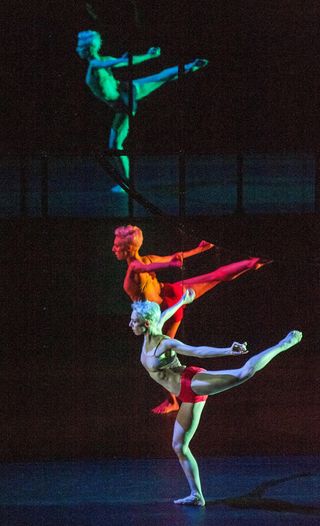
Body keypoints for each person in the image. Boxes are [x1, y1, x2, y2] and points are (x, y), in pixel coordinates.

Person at [129, 289, 303, 506]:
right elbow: (164, 314)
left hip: (191, 384)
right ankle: (197, 495)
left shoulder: (164, 342)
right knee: (179, 446)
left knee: (243, 373)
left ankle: (281, 345)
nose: (130, 324)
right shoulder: (152, 327)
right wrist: (182, 301)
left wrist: (228, 351)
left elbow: (197, 351)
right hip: (184, 396)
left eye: (134, 321)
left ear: (146, 324)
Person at [113, 224, 271, 413]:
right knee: (215, 276)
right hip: (172, 294)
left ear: (128, 249)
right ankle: (251, 263)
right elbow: (168, 259)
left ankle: (172, 401)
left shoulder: (135, 267)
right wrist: (197, 250)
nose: (114, 249)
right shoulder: (146, 259)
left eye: (117, 246)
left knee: (157, 362)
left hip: (163, 313)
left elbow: (152, 265)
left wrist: (171, 263)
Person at [76, 30, 208, 191]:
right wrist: (148, 56)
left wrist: (147, 56)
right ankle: (191, 66)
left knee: (115, 145)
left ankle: (126, 184)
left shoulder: (95, 64)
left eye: (80, 47)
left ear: (87, 49)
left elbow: (118, 63)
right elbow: (125, 62)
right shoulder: (103, 62)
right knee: (159, 78)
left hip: (123, 102)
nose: (78, 50)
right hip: (126, 90)